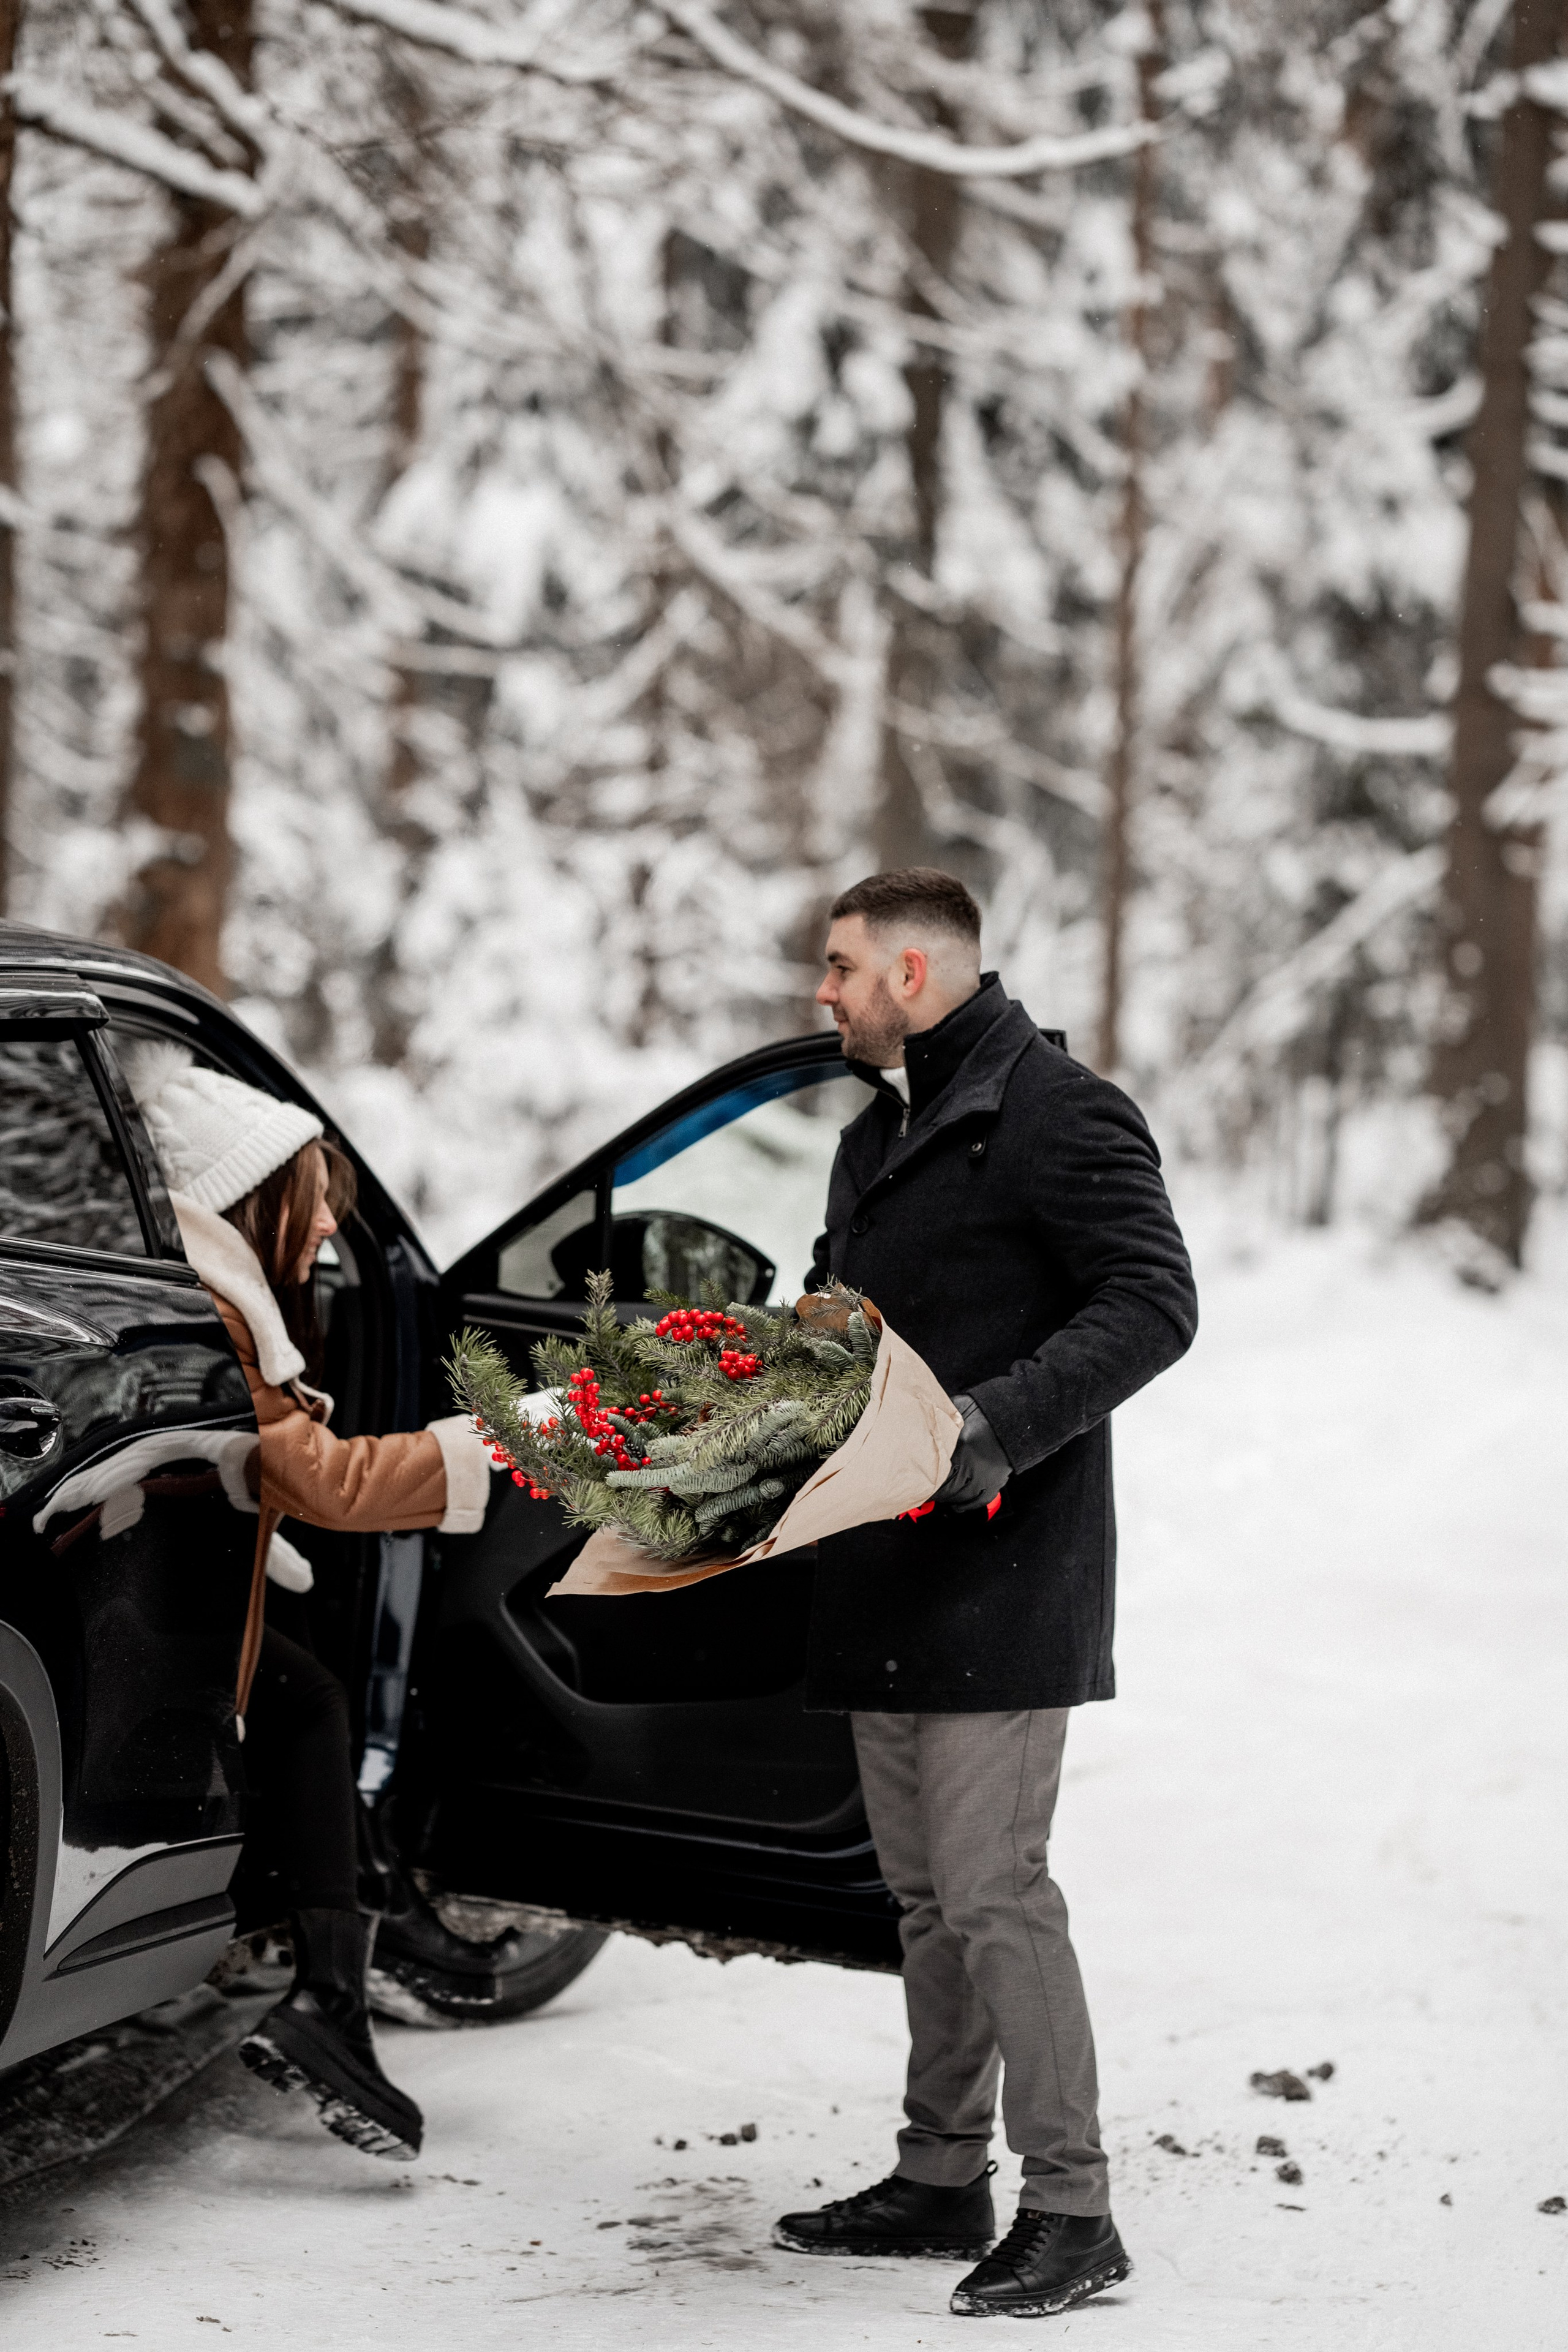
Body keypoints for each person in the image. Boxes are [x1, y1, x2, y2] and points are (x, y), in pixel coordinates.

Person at [772, 870, 1197, 2321]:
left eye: (836, 969)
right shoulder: (874, 1135)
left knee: (995, 1892)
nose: (819, 994)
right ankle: (939, 2173)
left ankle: (1072, 2210)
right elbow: (848, 1327)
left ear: (909, 968)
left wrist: (986, 1431)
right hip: (881, 1570)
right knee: (922, 1900)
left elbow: (1151, 1303)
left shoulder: (1058, 1112)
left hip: (1006, 1571)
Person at [126, 1044, 496, 2162]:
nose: (332, 1230)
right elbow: (331, 1484)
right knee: (305, 1696)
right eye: (313, 1205)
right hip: (142, 1597)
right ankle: (331, 1992)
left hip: (147, 1576)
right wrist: (501, 1445)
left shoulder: (206, 1293)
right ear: (250, 1200)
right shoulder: (218, 1314)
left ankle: (335, 1980)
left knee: (305, 1694)